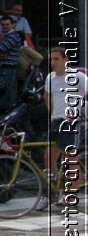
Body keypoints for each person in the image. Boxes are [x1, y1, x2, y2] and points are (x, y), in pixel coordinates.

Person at [45, 47, 85, 194]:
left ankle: (72, 192)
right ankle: (57, 189)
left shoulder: (78, 77)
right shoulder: (50, 78)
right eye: (51, 59)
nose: (53, 62)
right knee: (49, 156)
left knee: (71, 157)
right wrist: (53, 113)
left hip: (72, 121)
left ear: (65, 60)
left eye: (56, 59)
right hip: (57, 120)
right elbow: (47, 96)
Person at [0, 14, 26, 110]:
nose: (5, 26)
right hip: (5, 66)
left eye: (7, 24)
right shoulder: (6, 36)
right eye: (3, 25)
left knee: (7, 90)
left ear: (12, 25)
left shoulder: (12, 36)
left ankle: (3, 110)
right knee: (5, 89)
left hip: (9, 67)